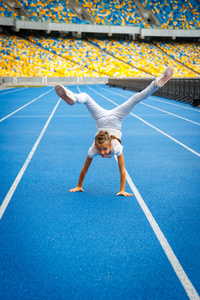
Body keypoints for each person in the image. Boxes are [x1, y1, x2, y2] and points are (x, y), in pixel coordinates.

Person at [55, 66, 173, 197]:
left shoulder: (105, 148)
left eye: (103, 149)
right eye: (100, 150)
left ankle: (156, 84)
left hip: (107, 120)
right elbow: (88, 169)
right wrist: (79, 186)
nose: (102, 152)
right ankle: (72, 96)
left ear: (110, 145)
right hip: (113, 119)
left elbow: (120, 170)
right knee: (130, 99)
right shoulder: (105, 148)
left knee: (130, 99)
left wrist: (122, 190)